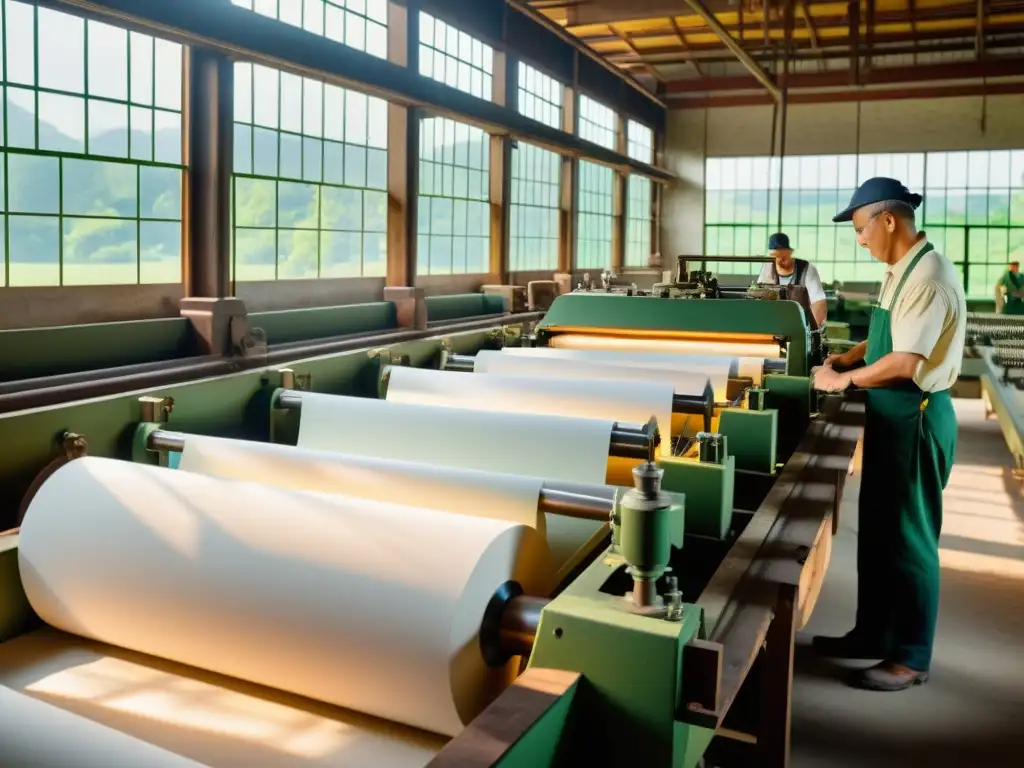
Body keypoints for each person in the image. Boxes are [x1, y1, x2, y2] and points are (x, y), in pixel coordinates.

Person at [812, 177, 966, 692]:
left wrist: (841, 379)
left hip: (916, 418)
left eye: (860, 229)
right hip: (889, 417)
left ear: (889, 221)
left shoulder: (929, 277)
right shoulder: (900, 270)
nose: (859, 239)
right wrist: (850, 354)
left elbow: (904, 360)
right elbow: (886, 336)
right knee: (878, 530)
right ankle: (872, 635)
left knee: (911, 537)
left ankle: (910, 655)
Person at [756, 232, 828, 328]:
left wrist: (813, 331)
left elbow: (819, 302)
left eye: (784, 256)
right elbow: (759, 300)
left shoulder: (806, 269)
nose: (781, 260)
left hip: (802, 326)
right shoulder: (768, 268)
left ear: (790, 252)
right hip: (774, 325)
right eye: (777, 256)